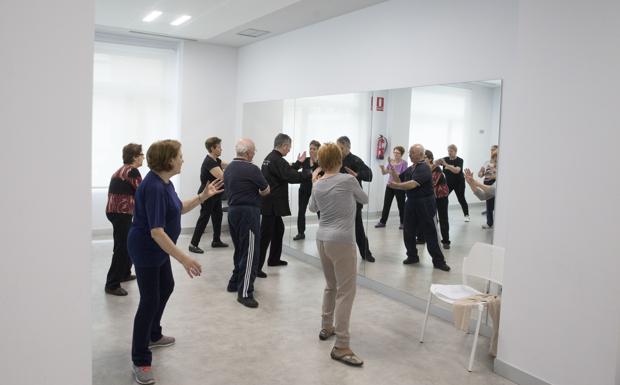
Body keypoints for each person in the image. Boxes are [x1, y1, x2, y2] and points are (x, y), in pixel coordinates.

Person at [127, 140, 223, 385]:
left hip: (158, 249)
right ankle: (140, 360)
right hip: (147, 249)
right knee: (148, 301)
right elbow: (156, 232)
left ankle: (153, 334)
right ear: (169, 160)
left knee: (166, 287)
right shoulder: (154, 188)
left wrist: (202, 196)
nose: (183, 160)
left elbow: (178, 208)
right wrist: (184, 259)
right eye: (180, 156)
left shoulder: (165, 183)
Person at [309, 143, 366, 367]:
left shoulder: (318, 183)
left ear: (322, 163)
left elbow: (313, 208)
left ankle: (327, 326)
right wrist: (353, 178)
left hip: (322, 239)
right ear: (340, 160)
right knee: (346, 292)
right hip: (342, 241)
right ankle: (342, 345)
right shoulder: (348, 180)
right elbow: (364, 199)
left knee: (331, 285)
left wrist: (316, 183)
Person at [389, 144, 450, 271]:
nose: (410, 154)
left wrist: (397, 186)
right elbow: (399, 180)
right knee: (408, 231)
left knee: (430, 232)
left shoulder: (424, 168)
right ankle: (412, 256)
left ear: (421, 155)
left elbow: (412, 184)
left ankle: (439, 261)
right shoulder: (411, 168)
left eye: (412, 152)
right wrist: (393, 172)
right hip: (411, 202)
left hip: (425, 203)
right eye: (410, 152)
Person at [225, 139, 270, 308]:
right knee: (251, 252)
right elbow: (266, 190)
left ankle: (234, 282)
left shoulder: (228, 168)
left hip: (233, 212)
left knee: (241, 249)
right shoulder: (252, 169)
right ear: (249, 152)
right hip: (248, 213)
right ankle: (244, 292)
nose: (254, 154)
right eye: (254, 151)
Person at [259, 133, 309, 274]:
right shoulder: (277, 160)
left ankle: (274, 259)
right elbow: (290, 176)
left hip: (270, 202)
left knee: (278, 229)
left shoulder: (270, 158)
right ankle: (256, 267)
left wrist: (299, 163)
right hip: (272, 203)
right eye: (289, 147)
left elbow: (285, 171)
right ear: (284, 145)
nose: (289, 150)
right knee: (265, 236)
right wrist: (310, 174)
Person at [104, 143, 144, 296]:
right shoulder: (132, 171)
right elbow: (142, 192)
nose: (143, 158)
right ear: (134, 156)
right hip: (122, 213)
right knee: (122, 248)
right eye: (141, 155)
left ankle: (124, 273)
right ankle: (112, 284)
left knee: (126, 244)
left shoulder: (121, 170)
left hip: (115, 212)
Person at [337, 136, 375, 262]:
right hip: (338, 200)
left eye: (341, 148)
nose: (339, 150)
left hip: (353, 200)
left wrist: (357, 174)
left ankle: (366, 253)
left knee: (358, 228)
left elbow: (369, 175)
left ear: (348, 147)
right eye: (337, 147)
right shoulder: (336, 160)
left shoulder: (356, 160)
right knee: (340, 229)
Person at [189, 137, 228, 253]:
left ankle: (216, 240)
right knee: (204, 218)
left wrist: (240, 163)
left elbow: (229, 165)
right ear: (213, 148)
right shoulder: (209, 162)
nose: (221, 149)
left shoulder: (216, 160)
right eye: (219, 147)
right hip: (207, 195)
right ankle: (193, 244)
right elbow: (223, 177)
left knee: (218, 216)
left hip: (215, 195)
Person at [292, 140, 321, 240]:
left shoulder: (321, 162)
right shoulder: (305, 160)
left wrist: (316, 162)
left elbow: (323, 173)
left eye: (314, 149)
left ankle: (323, 232)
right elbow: (293, 169)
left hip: (316, 190)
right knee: (301, 211)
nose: (311, 150)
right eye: (310, 148)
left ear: (318, 150)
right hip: (304, 189)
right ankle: (301, 233)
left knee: (319, 211)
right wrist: (298, 161)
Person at [376, 146, 408, 229]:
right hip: (390, 186)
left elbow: (400, 177)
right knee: (386, 204)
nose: (396, 154)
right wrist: (382, 168)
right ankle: (382, 222)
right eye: (395, 152)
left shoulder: (404, 163)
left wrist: (392, 169)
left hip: (399, 186)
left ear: (401, 154)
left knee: (401, 205)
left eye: (398, 153)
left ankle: (403, 223)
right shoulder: (391, 162)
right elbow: (384, 173)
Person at [438, 144, 470, 222]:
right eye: (448, 151)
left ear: (455, 151)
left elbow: (457, 171)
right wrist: (437, 162)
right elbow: (435, 163)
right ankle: (441, 216)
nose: (449, 153)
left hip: (459, 183)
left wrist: (446, 165)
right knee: (443, 198)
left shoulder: (460, 160)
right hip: (448, 183)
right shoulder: (445, 159)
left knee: (461, 199)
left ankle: (466, 215)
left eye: (451, 151)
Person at [478, 145, 498, 229]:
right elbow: (480, 173)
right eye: (491, 150)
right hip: (486, 184)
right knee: (489, 205)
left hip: (494, 184)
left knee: (493, 205)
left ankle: (492, 222)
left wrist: (493, 176)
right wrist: (481, 173)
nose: (492, 151)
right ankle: (489, 223)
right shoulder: (486, 162)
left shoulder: (499, 163)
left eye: (494, 150)